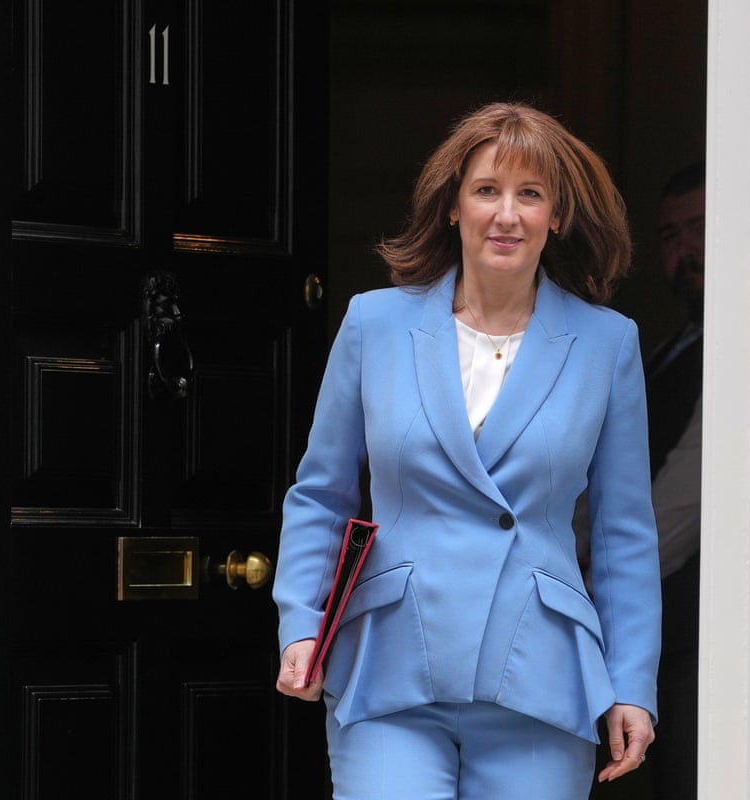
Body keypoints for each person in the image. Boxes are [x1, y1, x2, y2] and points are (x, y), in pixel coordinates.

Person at [273, 101, 662, 799]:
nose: (506, 214)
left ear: (558, 215)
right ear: (453, 206)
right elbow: (322, 492)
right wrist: (300, 620)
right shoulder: (375, 323)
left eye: (530, 194)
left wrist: (632, 683)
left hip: (538, 675)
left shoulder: (608, 343)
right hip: (393, 665)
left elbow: (622, 532)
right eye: (486, 190)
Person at [644, 161, 705, 799]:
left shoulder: (740, 351)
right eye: (669, 238)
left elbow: (676, 511)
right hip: (655, 639)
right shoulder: (667, 351)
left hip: (696, 638)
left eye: (701, 229)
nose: (685, 252)